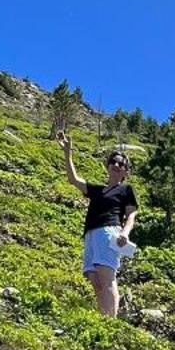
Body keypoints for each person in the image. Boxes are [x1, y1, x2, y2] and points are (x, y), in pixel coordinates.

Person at [61, 134, 138, 317]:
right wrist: (67, 153)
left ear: (126, 172)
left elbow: (131, 214)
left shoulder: (126, 190)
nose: (116, 165)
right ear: (107, 165)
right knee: (95, 281)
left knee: (106, 277)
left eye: (121, 164)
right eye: (113, 161)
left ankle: (110, 323)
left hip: (108, 231)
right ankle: (104, 319)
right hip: (90, 235)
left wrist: (125, 233)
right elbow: (73, 179)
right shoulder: (98, 190)